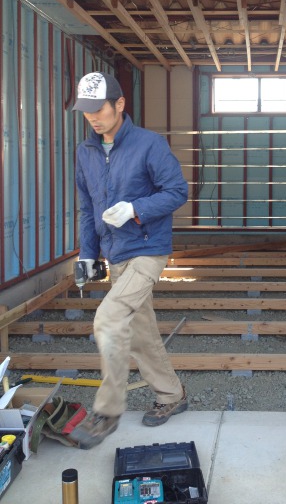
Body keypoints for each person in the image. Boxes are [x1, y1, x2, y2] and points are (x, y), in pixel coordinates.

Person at [69, 71, 189, 450]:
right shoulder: (85, 152)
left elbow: (177, 191)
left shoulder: (149, 145)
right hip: (115, 253)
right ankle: (172, 395)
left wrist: (135, 209)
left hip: (148, 249)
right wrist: (88, 255)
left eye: (99, 109)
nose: (92, 117)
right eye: (86, 110)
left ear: (119, 104)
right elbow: (87, 209)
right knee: (140, 332)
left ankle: (107, 412)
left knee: (109, 319)